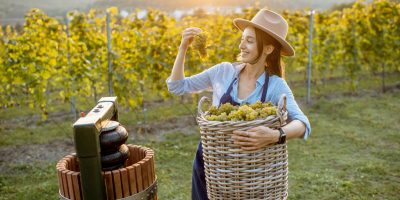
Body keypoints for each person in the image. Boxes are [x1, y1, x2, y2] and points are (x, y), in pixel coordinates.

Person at [166, 9, 311, 200]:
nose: (241, 45)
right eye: (242, 39)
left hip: (250, 176)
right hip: (211, 165)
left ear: (268, 48)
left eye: (249, 41)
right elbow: (177, 86)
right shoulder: (223, 72)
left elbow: (303, 124)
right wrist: (183, 47)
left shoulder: (276, 85)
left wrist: (275, 135)